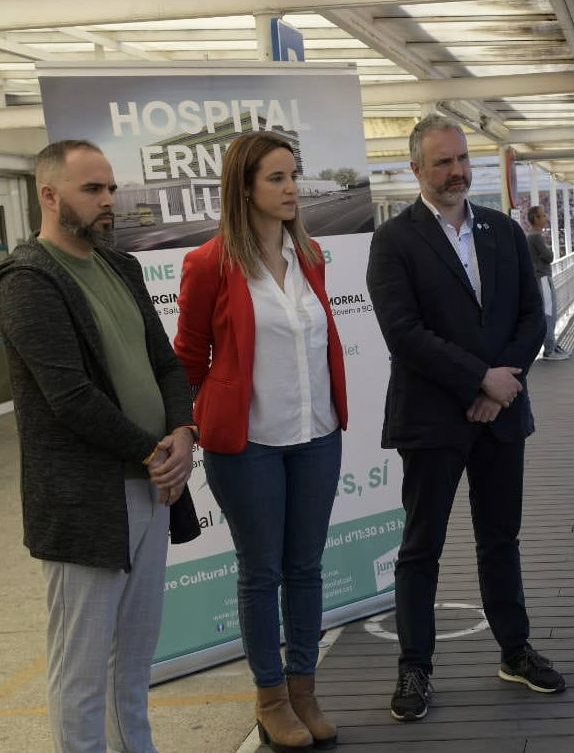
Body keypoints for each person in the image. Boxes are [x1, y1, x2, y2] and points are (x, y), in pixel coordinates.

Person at [0, 140, 200, 753]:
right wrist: (154, 452)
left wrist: (184, 433)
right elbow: (70, 397)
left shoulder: (122, 267)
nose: (109, 200)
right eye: (93, 189)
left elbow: (166, 364)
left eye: (111, 187)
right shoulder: (26, 280)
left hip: (152, 485)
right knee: (83, 673)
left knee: (133, 666)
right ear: (50, 195)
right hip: (86, 503)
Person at [366, 113, 562, 724]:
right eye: (442, 161)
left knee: (500, 539)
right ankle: (415, 668)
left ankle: (514, 649)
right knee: (421, 547)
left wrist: (501, 384)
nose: (456, 171)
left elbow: (532, 317)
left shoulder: (504, 232)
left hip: (501, 415)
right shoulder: (394, 240)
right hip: (433, 419)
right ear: (416, 169)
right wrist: (480, 379)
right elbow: (403, 332)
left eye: (461, 159)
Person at [175, 131, 349, 752]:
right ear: (243, 187)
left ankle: (304, 689)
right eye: (276, 178)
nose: (292, 188)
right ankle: (270, 697)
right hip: (247, 443)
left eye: (293, 175)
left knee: (306, 567)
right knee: (262, 570)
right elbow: (189, 355)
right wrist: (180, 425)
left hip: (317, 435)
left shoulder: (312, 257)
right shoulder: (209, 264)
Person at [526, 205, 568, 360]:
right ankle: (549, 349)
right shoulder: (535, 237)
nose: (546, 218)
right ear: (536, 219)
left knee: (549, 312)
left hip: (541, 278)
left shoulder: (533, 236)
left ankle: (551, 345)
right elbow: (549, 256)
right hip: (542, 278)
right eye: (543, 216)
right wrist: (549, 251)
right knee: (549, 313)